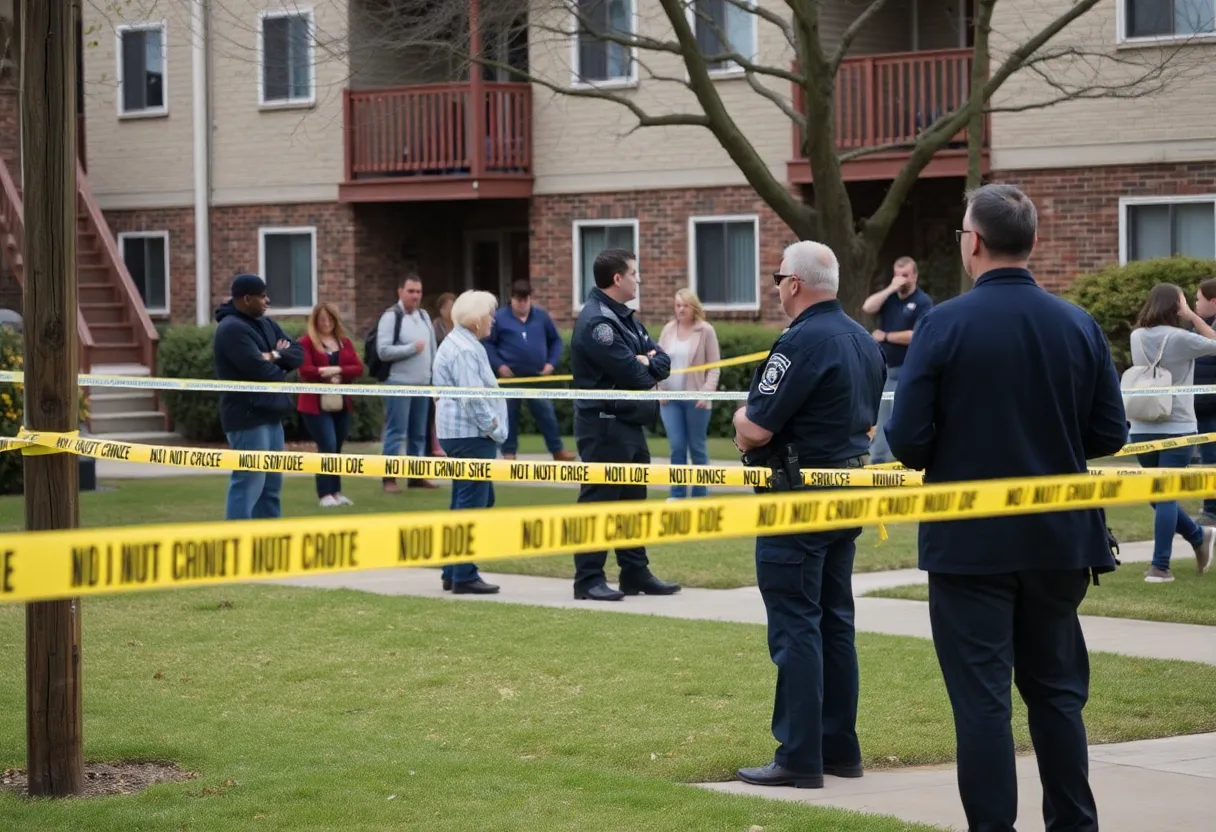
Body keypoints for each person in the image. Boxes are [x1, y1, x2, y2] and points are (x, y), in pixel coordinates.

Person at [884, 183, 1129, 832]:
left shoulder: (943, 324)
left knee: (983, 706)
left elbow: (906, 440)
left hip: (970, 545)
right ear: (1034, 243)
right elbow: (1109, 433)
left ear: (975, 243)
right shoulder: (1077, 323)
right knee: (1056, 698)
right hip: (1059, 541)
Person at [732, 241, 885, 791]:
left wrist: (737, 417)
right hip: (845, 489)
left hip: (796, 498)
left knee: (796, 623)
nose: (776, 286)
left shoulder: (800, 342)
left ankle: (799, 755)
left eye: (777, 277)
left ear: (794, 283)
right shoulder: (863, 340)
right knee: (835, 621)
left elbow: (757, 426)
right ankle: (840, 748)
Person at [568, 248, 679, 601]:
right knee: (600, 502)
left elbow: (663, 361)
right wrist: (643, 362)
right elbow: (637, 376)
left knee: (633, 500)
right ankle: (588, 579)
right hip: (604, 423)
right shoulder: (598, 323)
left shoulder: (624, 318)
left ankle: (635, 572)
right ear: (618, 278)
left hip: (629, 422)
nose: (639, 279)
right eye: (634, 273)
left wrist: (645, 359)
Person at [1126, 283, 1216, 582]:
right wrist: (1193, 317)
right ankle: (1195, 537)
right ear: (1176, 306)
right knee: (1161, 496)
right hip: (1177, 424)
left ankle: (1160, 564)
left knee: (1159, 495)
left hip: (1141, 424)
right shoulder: (1182, 338)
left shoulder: (1136, 336)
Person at [432, 290, 508, 595]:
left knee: (466, 499)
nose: (492, 320)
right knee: (472, 502)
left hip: (460, 434)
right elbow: (473, 396)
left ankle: (453, 570)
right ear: (476, 320)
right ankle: (463, 574)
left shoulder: (460, 342)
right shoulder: (465, 349)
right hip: (470, 435)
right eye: (489, 314)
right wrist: (493, 428)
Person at [213, 273, 304, 521]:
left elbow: (297, 353)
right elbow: (262, 372)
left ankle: (267, 546)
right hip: (247, 418)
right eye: (262, 296)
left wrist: (272, 355)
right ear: (246, 298)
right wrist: (277, 360)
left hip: (272, 416)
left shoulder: (266, 324)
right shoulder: (231, 329)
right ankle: (238, 546)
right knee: (248, 483)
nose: (267, 301)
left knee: (271, 488)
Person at [482, 279, 575, 462]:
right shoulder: (500, 318)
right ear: (512, 299)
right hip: (511, 377)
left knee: (545, 412)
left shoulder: (541, 316)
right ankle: (509, 453)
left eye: (526, 299)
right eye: (519, 300)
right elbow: (487, 343)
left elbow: (555, 340)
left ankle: (557, 450)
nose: (523, 304)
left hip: (536, 376)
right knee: (508, 414)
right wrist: (499, 365)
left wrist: (551, 363)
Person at [861, 256, 933, 464]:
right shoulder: (890, 298)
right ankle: (879, 460)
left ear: (915, 276)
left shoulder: (922, 301)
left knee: (899, 418)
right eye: (897, 274)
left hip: (906, 371)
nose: (901, 279)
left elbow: (917, 335)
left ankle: (896, 461)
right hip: (886, 370)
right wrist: (890, 288)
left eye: (905, 275)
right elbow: (868, 307)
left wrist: (886, 336)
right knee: (882, 418)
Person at [296, 302, 364, 508]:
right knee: (327, 444)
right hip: (314, 404)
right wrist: (322, 373)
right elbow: (305, 370)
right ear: (315, 321)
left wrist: (336, 370)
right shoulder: (305, 343)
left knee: (337, 447)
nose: (326, 323)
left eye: (330, 319)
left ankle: (336, 492)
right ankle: (324, 493)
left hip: (341, 403)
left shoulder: (344, 343)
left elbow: (358, 368)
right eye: (322, 320)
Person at [657, 288, 721, 499]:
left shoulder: (705, 331)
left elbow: (714, 367)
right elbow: (658, 363)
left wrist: (706, 393)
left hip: (696, 400)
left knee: (697, 447)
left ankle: (700, 495)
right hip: (670, 399)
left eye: (685, 305)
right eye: (678, 305)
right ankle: (677, 494)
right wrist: (659, 389)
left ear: (694, 308)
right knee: (676, 446)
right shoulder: (668, 330)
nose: (681, 310)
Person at [377, 274, 438, 492]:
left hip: (423, 385)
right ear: (400, 292)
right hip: (399, 383)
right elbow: (383, 351)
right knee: (396, 431)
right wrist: (411, 348)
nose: (415, 296)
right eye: (411, 291)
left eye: (418, 292)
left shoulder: (424, 316)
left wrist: (435, 380)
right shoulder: (391, 317)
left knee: (419, 433)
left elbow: (432, 350)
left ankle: (416, 476)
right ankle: (389, 478)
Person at [1191, 277, 1216, 524]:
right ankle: (1210, 510)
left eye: (1198, 299)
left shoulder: (1202, 327)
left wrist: (1193, 319)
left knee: (1212, 461)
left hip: (1212, 409)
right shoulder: (1199, 327)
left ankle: (1211, 512)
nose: (1194, 304)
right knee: (1209, 461)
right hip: (1200, 407)